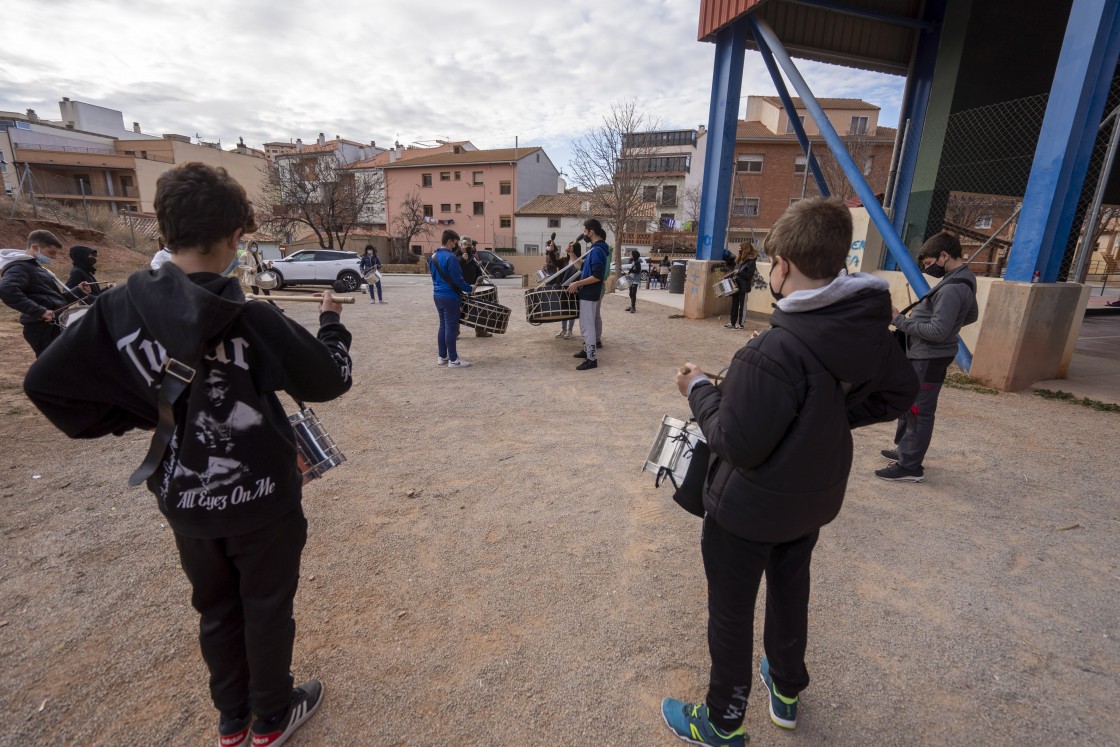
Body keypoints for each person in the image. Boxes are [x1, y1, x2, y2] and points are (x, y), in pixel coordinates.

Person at [23, 162, 353, 747]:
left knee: (216, 609)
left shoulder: (116, 309)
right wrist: (332, 324)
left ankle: (233, 722)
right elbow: (329, 380)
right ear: (236, 238)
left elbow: (47, 385)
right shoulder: (251, 317)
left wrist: (136, 410)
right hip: (265, 499)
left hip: (183, 493)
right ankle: (273, 717)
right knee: (267, 605)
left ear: (163, 235)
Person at [662, 197, 918, 747]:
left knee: (731, 612)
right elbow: (901, 391)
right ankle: (785, 687)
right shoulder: (864, 329)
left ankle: (723, 720)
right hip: (809, 500)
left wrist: (698, 389)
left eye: (772, 262)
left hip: (747, 509)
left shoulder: (776, 348)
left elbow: (735, 441)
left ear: (784, 265)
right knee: (789, 589)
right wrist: (825, 422)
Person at [877, 231, 978, 483]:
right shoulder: (963, 278)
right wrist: (948, 326)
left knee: (917, 410)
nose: (928, 268)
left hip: (928, 358)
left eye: (930, 263)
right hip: (925, 354)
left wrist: (898, 320)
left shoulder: (953, 287)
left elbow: (937, 331)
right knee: (909, 403)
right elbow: (971, 315)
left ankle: (910, 466)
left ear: (944, 255)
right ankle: (905, 451)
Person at [0, 230, 90, 357]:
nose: (54, 258)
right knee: (56, 368)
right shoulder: (19, 268)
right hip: (42, 328)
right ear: (35, 247)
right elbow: (7, 290)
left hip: (52, 325)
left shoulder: (33, 267)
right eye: (51, 252)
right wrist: (39, 311)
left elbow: (53, 300)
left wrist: (78, 291)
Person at [565, 219, 609, 370]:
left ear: (592, 231)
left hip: (590, 293)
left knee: (587, 326)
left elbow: (597, 276)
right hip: (588, 293)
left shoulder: (597, 250)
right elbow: (583, 268)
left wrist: (577, 283)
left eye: (585, 231)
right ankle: (587, 351)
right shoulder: (595, 248)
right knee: (586, 324)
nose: (584, 234)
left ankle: (591, 359)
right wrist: (571, 254)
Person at [431, 229, 474, 367]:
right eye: (456, 243)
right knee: (451, 327)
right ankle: (454, 360)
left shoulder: (432, 257)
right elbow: (458, 281)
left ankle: (442, 356)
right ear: (450, 242)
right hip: (450, 297)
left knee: (443, 325)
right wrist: (470, 288)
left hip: (437, 295)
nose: (456, 246)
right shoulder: (451, 258)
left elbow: (434, 277)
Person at [459, 243, 492, 338]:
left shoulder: (473, 258)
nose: (467, 247)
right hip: (460, 288)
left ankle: (480, 331)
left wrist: (478, 281)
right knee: (459, 311)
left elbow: (479, 272)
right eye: (464, 245)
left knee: (479, 309)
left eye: (469, 245)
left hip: (473, 287)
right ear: (460, 246)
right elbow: (455, 271)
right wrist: (462, 259)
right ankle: (455, 333)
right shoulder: (455, 256)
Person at [725, 242, 758, 330]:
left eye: (741, 248)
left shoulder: (751, 261)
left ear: (745, 249)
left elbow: (749, 276)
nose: (739, 249)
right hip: (736, 286)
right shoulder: (739, 260)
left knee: (742, 306)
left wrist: (739, 272)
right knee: (734, 305)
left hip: (744, 287)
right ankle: (732, 323)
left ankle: (741, 324)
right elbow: (736, 271)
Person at [553, 242, 580, 340]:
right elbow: (555, 262)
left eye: (571, 247)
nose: (569, 248)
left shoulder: (579, 261)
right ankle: (563, 329)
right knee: (564, 309)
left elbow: (580, 273)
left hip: (574, 288)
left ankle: (570, 330)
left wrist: (577, 285)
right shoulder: (565, 260)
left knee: (571, 309)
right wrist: (551, 251)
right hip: (563, 287)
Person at [626, 249, 642, 313]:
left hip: (635, 280)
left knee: (633, 293)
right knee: (630, 293)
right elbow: (633, 270)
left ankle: (633, 307)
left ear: (634, 255)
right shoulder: (633, 262)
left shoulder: (637, 262)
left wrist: (631, 271)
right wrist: (630, 271)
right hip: (631, 279)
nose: (630, 255)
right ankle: (632, 306)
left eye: (631, 254)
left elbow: (638, 271)